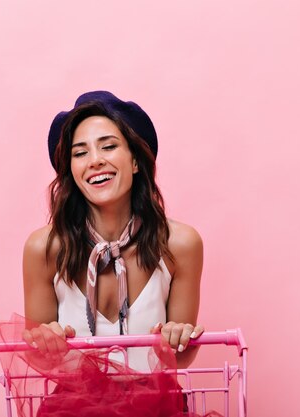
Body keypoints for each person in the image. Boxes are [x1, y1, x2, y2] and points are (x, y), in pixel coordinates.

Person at [22, 91, 204, 371]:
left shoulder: (180, 244)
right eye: (80, 153)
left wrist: (178, 337)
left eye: (108, 147)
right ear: (71, 170)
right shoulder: (44, 248)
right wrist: (46, 343)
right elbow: (37, 358)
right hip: (72, 412)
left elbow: (180, 358)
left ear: (134, 162)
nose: (94, 160)